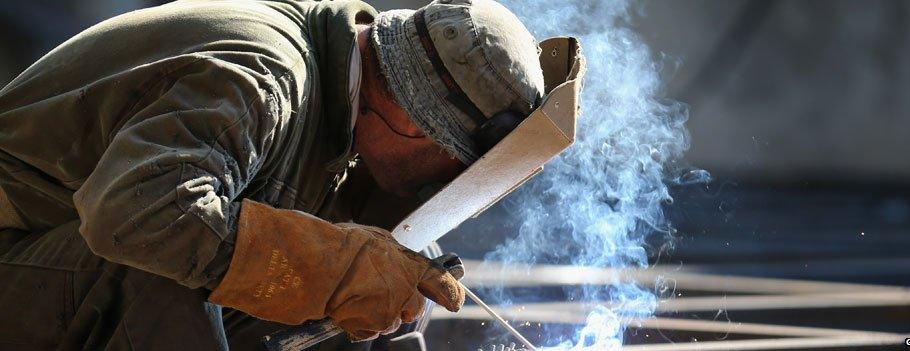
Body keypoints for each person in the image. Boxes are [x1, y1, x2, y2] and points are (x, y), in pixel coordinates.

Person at [0, 0, 546, 349]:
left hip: (51, 267)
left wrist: (378, 294)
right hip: (21, 253)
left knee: (337, 299)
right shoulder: (266, 80)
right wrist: (332, 267)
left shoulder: (339, 96)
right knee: (168, 264)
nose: (442, 185)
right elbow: (134, 214)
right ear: (411, 118)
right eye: (451, 163)